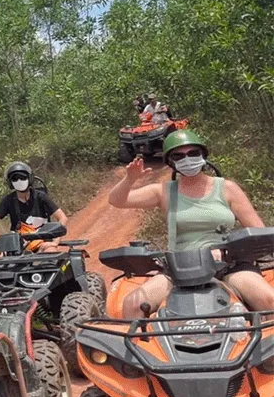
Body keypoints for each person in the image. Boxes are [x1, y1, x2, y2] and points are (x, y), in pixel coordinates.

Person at [108, 129, 274, 318]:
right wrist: (129, 179)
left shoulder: (227, 188)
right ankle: (141, 337)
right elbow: (117, 201)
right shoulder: (163, 192)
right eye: (178, 156)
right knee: (133, 304)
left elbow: (258, 231)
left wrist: (233, 250)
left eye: (193, 153)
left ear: (203, 155)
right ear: (171, 162)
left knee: (269, 299)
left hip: (228, 264)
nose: (187, 159)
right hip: (179, 268)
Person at [0, 162, 68, 253]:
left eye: (23, 177)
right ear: (10, 182)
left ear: (29, 178)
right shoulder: (8, 200)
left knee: (51, 252)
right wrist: (0, 241)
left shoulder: (40, 197)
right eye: (15, 179)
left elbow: (62, 218)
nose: (19, 181)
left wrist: (55, 242)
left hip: (43, 243)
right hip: (18, 246)